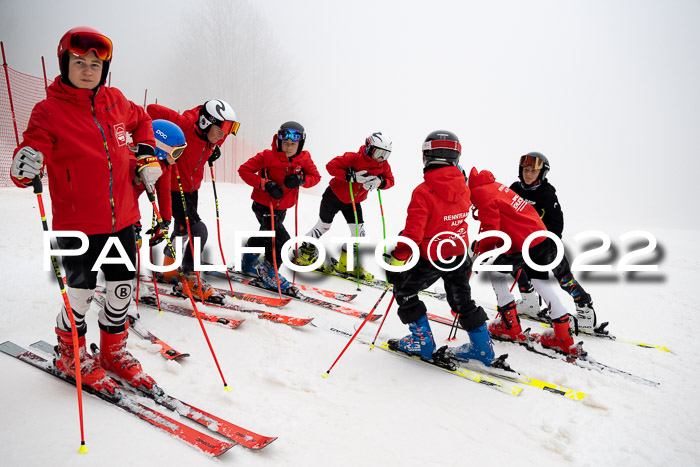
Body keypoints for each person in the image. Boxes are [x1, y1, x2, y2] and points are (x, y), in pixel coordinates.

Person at [10, 27, 161, 395]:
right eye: (79, 62)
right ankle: (69, 353)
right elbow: (31, 154)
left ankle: (113, 353)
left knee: (122, 289)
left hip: (123, 218)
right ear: (65, 64)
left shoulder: (116, 100)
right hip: (77, 223)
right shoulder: (48, 111)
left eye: (95, 64)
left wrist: (145, 152)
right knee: (78, 294)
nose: (88, 69)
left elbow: (142, 121)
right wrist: (23, 166)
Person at [385, 131, 494, 366]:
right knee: (461, 300)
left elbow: (413, 235)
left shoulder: (423, 191)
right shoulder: (464, 187)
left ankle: (422, 343)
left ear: (426, 156)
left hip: (430, 257)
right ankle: (482, 349)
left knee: (404, 291)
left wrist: (396, 259)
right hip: (457, 255)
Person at [468, 166, 582, 356]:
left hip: (525, 243)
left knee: (495, 271)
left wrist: (484, 252)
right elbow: (503, 219)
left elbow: (491, 226)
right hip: (539, 238)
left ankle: (509, 325)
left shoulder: (480, 194)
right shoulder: (493, 185)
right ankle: (563, 336)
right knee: (539, 282)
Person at [146, 99, 239, 301]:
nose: (223, 135)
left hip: (191, 188)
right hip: (172, 187)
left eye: (228, 130)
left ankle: (170, 270)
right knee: (198, 230)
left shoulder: (212, 137)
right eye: (221, 129)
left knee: (182, 229)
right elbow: (151, 110)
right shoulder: (185, 124)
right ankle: (189, 277)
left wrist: (215, 148)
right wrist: (167, 141)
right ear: (205, 122)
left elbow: (216, 139)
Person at [509, 152, 598, 333]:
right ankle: (529, 301)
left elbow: (557, 224)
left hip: (547, 246)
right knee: (516, 268)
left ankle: (585, 308)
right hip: (522, 243)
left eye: (533, 171)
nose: (528, 174)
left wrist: (549, 246)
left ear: (541, 174)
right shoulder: (514, 189)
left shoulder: (547, 195)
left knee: (564, 279)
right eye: (526, 170)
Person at [296, 132, 394, 282]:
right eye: (379, 153)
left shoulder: (383, 165)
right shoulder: (353, 158)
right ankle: (305, 253)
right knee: (323, 226)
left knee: (359, 234)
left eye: (386, 154)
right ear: (369, 148)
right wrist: (351, 176)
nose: (381, 158)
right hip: (334, 196)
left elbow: (390, 180)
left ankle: (347, 265)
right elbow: (331, 166)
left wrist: (380, 183)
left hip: (354, 202)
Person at [238, 121, 321, 294]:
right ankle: (269, 273)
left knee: (267, 235)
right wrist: (265, 184)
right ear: (279, 141)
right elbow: (244, 170)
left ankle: (248, 259)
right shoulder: (267, 156)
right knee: (281, 240)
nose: (288, 147)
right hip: (263, 205)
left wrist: (301, 179)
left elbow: (316, 177)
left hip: (282, 207)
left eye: (293, 144)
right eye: (285, 143)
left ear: (300, 144)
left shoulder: (304, 159)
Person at [133, 119, 188, 250]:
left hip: (126, 208)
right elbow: (122, 193)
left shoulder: (163, 165)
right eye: (176, 152)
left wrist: (165, 221)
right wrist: (134, 221)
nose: (177, 158)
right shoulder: (133, 161)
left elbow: (164, 190)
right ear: (160, 149)